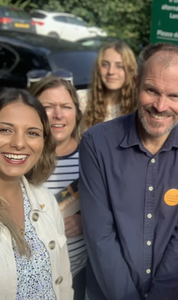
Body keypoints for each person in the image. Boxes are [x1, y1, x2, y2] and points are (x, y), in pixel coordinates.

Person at [80, 42, 178, 300]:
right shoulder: (96, 142)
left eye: (175, 96)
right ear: (136, 84)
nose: (160, 105)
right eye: (152, 90)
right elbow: (101, 237)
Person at [0, 88, 73, 299]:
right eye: (5, 130)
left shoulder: (45, 200)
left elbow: (64, 280)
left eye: (32, 133)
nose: (19, 143)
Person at [29, 76, 87, 300]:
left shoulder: (93, 156)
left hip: (80, 276)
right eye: (47, 107)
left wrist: (87, 221)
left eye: (65, 106)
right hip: (34, 279)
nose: (58, 115)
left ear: (76, 112)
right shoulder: (22, 158)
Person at [78, 40, 137, 129]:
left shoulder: (138, 106)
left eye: (119, 66)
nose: (111, 71)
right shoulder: (81, 99)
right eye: (105, 65)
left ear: (130, 70)